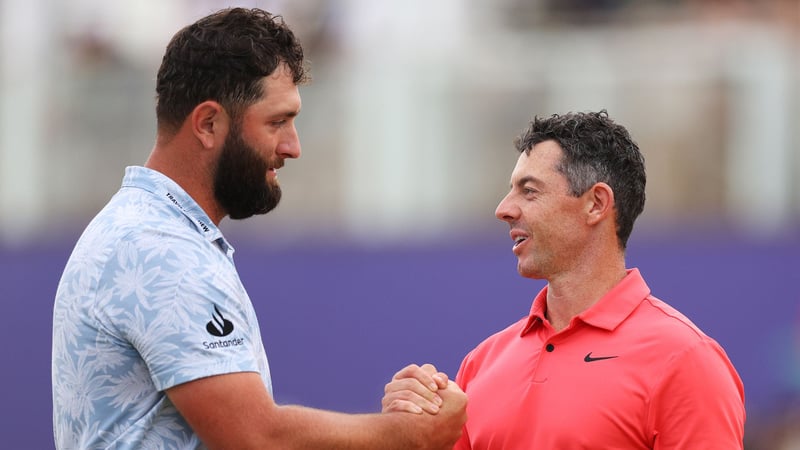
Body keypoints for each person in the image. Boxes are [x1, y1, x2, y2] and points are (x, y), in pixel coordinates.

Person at [51, 8, 466, 449]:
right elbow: (255, 438)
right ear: (209, 124)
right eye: (277, 122)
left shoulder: (148, 230)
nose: (293, 147)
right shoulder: (158, 248)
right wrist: (408, 435)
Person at [384, 110, 746, 448]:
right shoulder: (481, 363)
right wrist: (405, 436)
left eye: (529, 190)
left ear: (596, 204)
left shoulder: (685, 360)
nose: (504, 209)